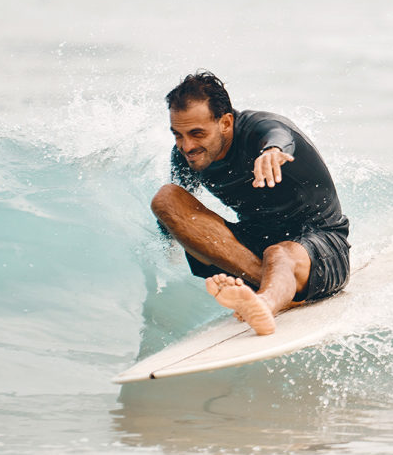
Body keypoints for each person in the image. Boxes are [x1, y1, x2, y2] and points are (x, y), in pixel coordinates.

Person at [150, 72, 350, 335]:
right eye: (178, 134)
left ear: (225, 122)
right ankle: (275, 288)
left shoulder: (260, 129)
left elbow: (280, 135)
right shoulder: (186, 155)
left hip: (321, 245)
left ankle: (265, 304)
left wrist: (272, 152)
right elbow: (180, 214)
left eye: (197, 133)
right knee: (166, 198)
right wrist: (172, 242)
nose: (187, 146)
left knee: (278, 254)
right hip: (255, 246)